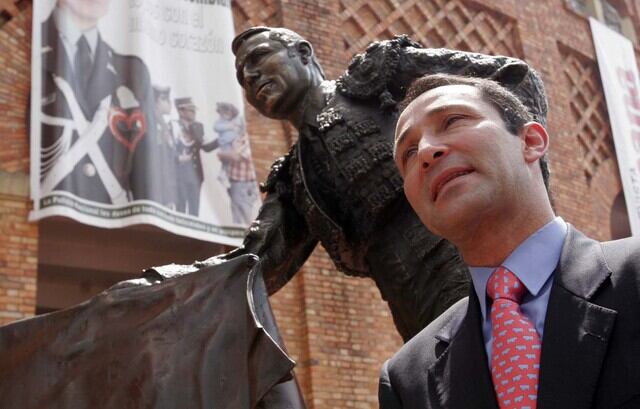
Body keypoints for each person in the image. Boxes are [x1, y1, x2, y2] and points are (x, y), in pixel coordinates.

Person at [220, 26, 549, 342]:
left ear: (303, 53)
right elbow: (251, 264)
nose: (250, 77)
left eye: (259, 58)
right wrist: (177, 284)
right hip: (409, 303)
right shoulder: (295, 176)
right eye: (240, 78)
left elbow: (514, 78)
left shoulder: (379, 74)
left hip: (470, 258)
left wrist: (529, 187)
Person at [378, 73, 640, 409]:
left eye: (453, 120)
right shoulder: (406, 379)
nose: (427, 151)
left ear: (530, 141)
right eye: (409, 153)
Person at [39, 0, 164, 205]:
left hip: (118, 217)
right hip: (45, 211)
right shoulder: (25, 45)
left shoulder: (132, 71)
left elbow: (146, 160)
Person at [214, 102, 259, 225]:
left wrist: (220, 155)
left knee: (243, 216)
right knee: (239, 214)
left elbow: (235, 156)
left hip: (242, 184)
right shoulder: (236, 137)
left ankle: (248, 241)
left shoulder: (246, 139)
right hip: (238, 183)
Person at [171, 97, 218, 216]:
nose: (194, 113)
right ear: (181, 111)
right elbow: (168, 150)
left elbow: (206, 147)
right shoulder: (172, 126)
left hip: (195, 175)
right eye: (191, 110)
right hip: (179, 175)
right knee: (180, 209)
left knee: (194, 210)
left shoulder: (198, 126)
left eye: (194, 110)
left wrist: (221, 140)